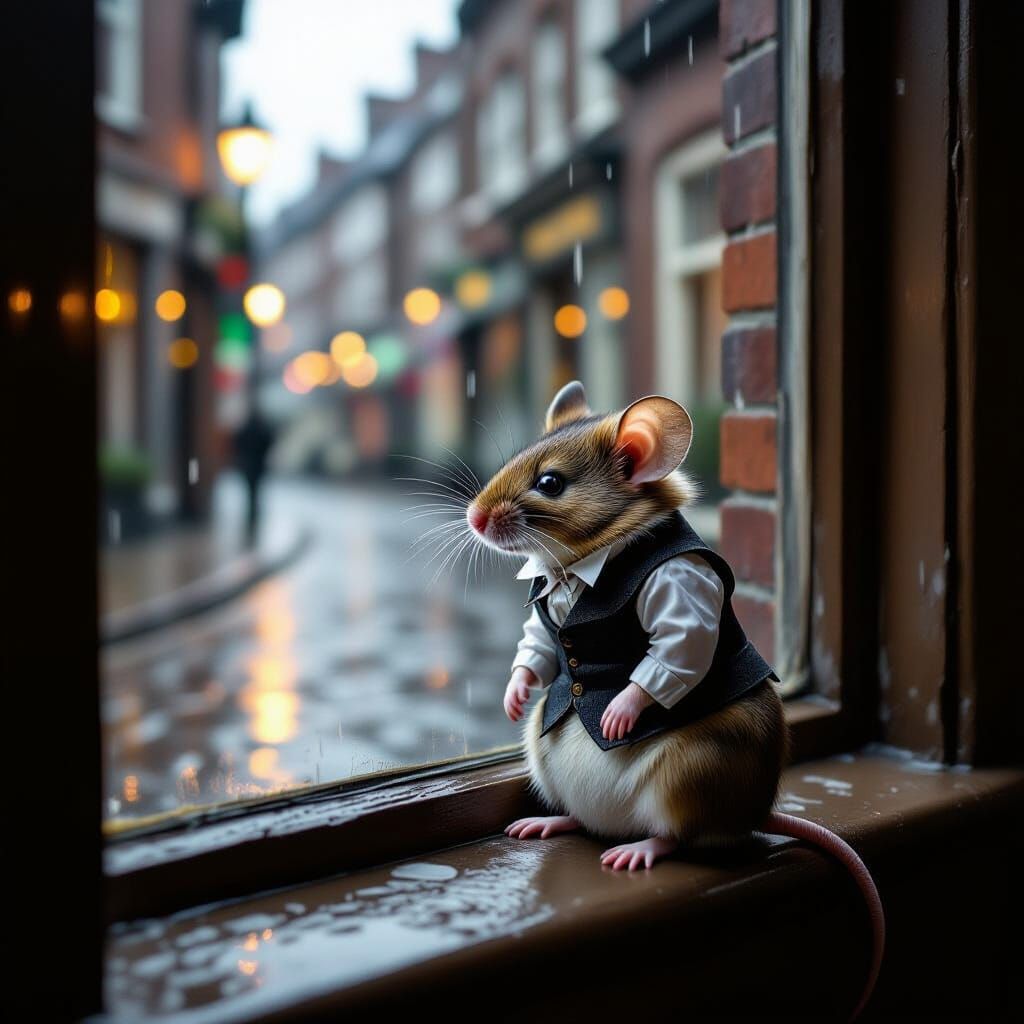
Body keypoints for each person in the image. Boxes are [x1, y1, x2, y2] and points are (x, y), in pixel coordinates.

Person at [232, 407, 274, 546]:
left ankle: (251, 515)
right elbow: (269, 441)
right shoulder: (261, 429)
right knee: (255, 491)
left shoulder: (246, 429)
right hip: (258, 465)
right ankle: (254, 514)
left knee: (250, 491)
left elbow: (237, 442)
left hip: (249, 465)